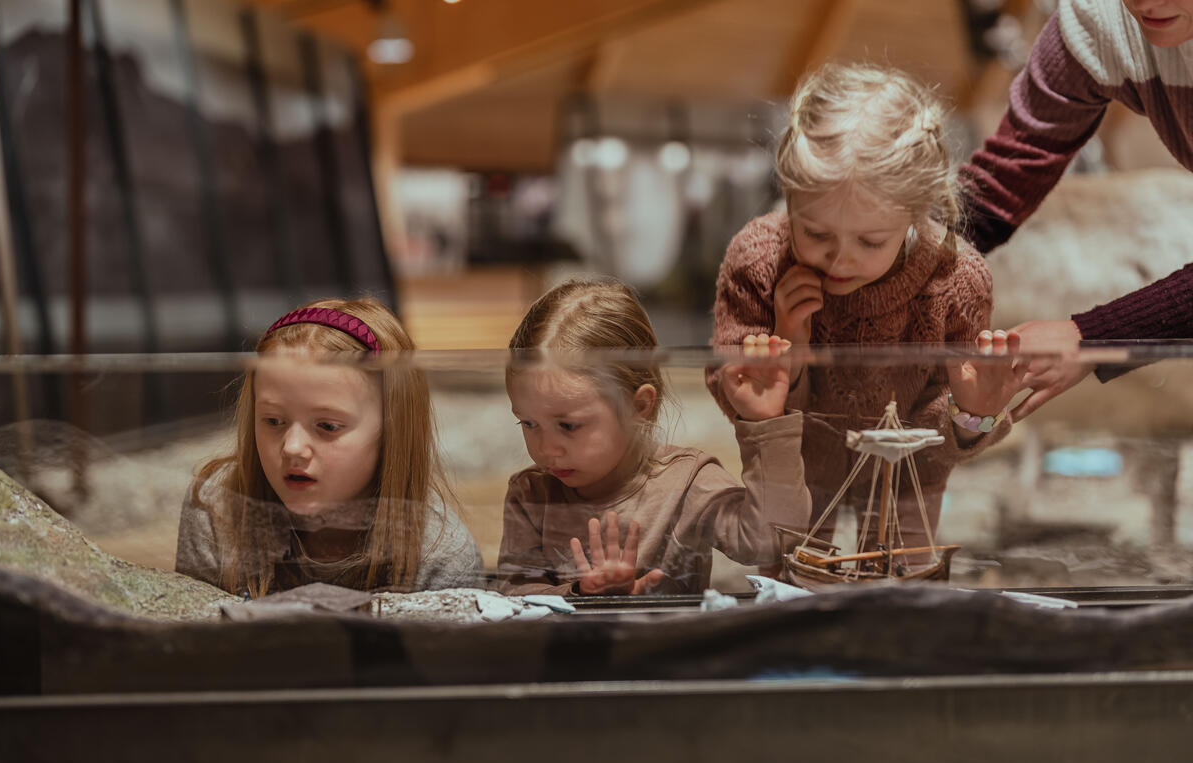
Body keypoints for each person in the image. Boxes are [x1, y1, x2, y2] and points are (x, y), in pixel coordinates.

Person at [707, 62, 1022, 561]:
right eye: (816, 234)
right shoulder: (758, 258)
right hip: (794, 473)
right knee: (787, 591)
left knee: (905, 598)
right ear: (789, 196)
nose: (839, 258)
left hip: (912, 477)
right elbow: (736, 394)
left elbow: (947, 432)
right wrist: (790, 346)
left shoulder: (956, 278)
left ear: (919, 211)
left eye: (870, 240)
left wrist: (973, 414)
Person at [497, 277, 811, 596]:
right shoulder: (531, 494)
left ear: (639, 406)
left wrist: (765, 423)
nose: (547, 448)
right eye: (528, 423)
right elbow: (515, 594)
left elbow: (769, 542)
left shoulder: (687, 482)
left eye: (568, 425)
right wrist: (580, 592)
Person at [961, 0, 1193, 418]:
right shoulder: (1100, 19)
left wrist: (1092, 338)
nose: (1146, 3)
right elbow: (999, 186)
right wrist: (895, 250)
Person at [176, 298, 483, 598]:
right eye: (272, 420)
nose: (293, 448)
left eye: (327, 426)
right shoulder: (214, 509)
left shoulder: (441, 556)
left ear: (392, 430)